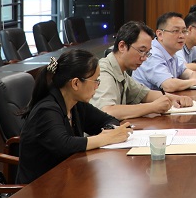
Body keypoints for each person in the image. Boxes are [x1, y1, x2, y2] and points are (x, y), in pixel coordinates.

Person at [16, 48, 133, 183]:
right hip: (38, 188)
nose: (97, 86)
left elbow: (108, 120)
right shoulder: (46, 110)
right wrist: (106, 138)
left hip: (66, 180)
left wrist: (110, 131)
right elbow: (64, 145)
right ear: (76, 83)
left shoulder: (76, 104)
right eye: (95, 81)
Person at [91, 21, 195, 120]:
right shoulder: (103, 71)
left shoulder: (121, 71)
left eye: (147, 53)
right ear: (122, 46)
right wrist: (152, 107)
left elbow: (145, 94)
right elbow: (108, 111)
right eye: (141, 51)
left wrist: (175, 98)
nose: (144, 58)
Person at [131, 12, 196, 93]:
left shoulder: (171, 51)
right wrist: (194, 81)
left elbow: (182, 71)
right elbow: (169, 85)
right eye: (176, 31)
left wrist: (193, 75)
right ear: (160, 34)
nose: (182, 36)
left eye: (184, 31)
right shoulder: (152, 54)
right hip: (147, 100)